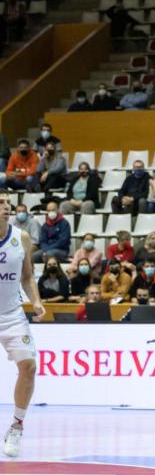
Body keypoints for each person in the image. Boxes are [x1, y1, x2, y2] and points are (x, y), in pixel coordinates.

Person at [0, 191, 44, 457]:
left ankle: (16, 425)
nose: (6, 207)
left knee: (28, 367)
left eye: (7, 203)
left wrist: (36, 302)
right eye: (0, 204)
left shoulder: (21, 237)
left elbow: (27, 277)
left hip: (12, 314)